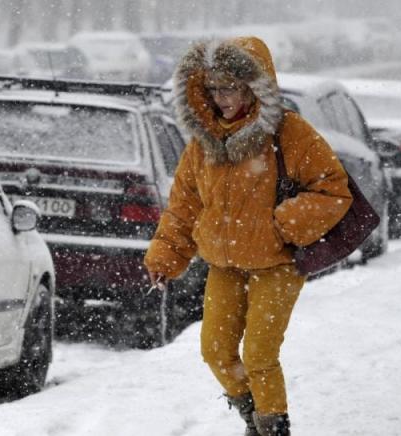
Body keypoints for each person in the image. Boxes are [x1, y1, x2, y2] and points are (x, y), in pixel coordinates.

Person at [144, 36, 352, 436]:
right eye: (213, 88)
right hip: (224, 266)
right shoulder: (203, 142)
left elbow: (332, 189)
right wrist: (165, 258)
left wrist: (282, 225)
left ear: (254, 86)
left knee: (259, 355)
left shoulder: (289, 132)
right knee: (216, 352)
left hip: (277, 265)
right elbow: (184, 205)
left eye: (231, 87)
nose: (221, 98)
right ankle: (255, 418)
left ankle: (272, 428)